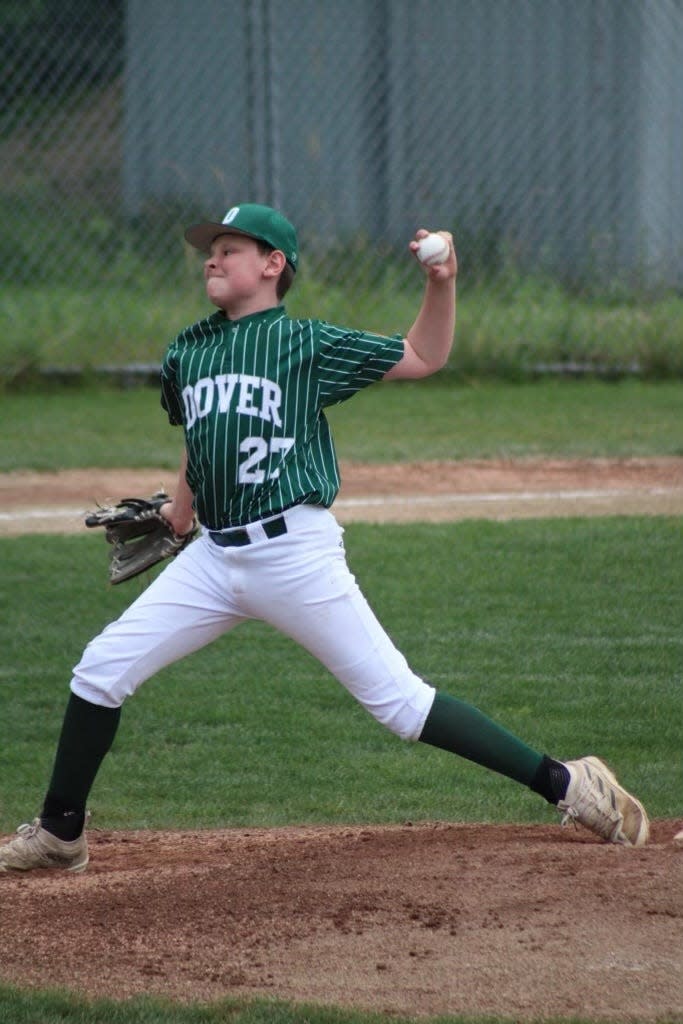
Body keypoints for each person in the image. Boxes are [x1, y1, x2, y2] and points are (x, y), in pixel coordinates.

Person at [0, 203, 649, 873]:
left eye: (230, 248)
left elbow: (423, 355)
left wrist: (441, 282)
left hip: (294, 554)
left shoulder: (303, 343)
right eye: (209, 250)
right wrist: (179, 514)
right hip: (214, 558)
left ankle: (568, 783)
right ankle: (59, 834)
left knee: (400, 705)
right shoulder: (187, 351)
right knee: (100, 670)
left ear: (273, 264)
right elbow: (200, 441)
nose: (212, 259)